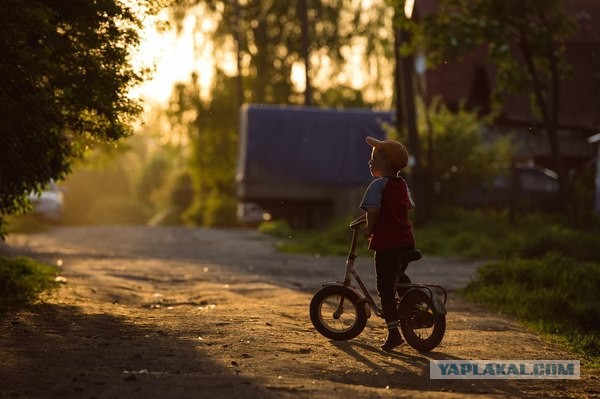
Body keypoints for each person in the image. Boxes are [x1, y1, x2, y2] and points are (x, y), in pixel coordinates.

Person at [359, 136, 416, 352]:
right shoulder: (402, 185)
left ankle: (394, 333)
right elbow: (407, 205)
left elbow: (372, 211)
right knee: (398, 277)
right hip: (405, 242)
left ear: (386, 164)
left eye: (374, 158)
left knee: (384, 287)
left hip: (387, 245)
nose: (370, 162)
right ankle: (414, 304)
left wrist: (370, 229)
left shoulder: (378, 185)